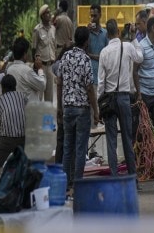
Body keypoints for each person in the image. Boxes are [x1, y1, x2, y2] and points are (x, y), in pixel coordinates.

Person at [97, 19, 143, 182]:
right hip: (124, 97)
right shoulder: (128, 46)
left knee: (111, 140)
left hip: (108, 99)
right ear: (117, 31)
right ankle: (132, 178)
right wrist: (134, 37)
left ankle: (114, 178)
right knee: (127, 139)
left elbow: (101, 82)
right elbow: (140, 58)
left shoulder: (104, 52)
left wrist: (99, 105)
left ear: (107, 34)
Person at [59, 27, 99, 189]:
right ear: (87, 42)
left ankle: (65, 184)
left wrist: (60, 108)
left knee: (68, 148)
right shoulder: (85, 59)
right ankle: (78, 184)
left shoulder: (65, 56)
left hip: (67, 107)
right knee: (81, 148)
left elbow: (59, 81)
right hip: (82, 109)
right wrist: (96, 110)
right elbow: (89, 87)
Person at [134, 16, 154, 142]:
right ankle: (143, 158)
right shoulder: (141, 47)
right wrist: (139, 93)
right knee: (144, 128)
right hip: (145, 95)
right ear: (152, 28)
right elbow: (135, 71)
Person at [6, 37, 45, 101]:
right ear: (24, 54)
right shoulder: (27, 71)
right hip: (28, 109)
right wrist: (40, 69)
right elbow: (42, 85)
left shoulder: (9, 69)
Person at [87, 4, 108, 125]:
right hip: (89, 77)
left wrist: (91, 55)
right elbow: (83, 51)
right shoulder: (87, 33)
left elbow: (106, 56)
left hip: (101, 77)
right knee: (90, 112)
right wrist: (87, 31)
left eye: (95, 15)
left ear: (100, 15)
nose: (93, 18)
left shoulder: (104, 34)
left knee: (101, 109)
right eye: (91, 16)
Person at [32, 4, 56, 102]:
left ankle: (48, 117)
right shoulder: (37, 30)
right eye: (47, 13)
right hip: (41, 66)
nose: (49, 14)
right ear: (42, 16)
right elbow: (33, 48)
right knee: (39, 96)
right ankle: (38, 117)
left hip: (50, 66)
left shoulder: (53, 29)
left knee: (49, 97)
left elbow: (54, 46)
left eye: (49, 12)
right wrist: (35, 65)